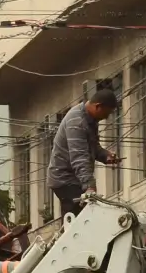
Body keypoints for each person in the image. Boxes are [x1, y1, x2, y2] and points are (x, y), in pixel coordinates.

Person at [46, 87, 121, 218]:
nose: (106, 117)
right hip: (65, 179)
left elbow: (92, 146)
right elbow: (79, 157)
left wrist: (105, 155)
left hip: (74, 178)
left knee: (82, 218)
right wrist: (90, 186)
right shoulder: (77, 122)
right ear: (98, 106)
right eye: (106, 113)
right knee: (80, 219)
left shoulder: (90, 120)